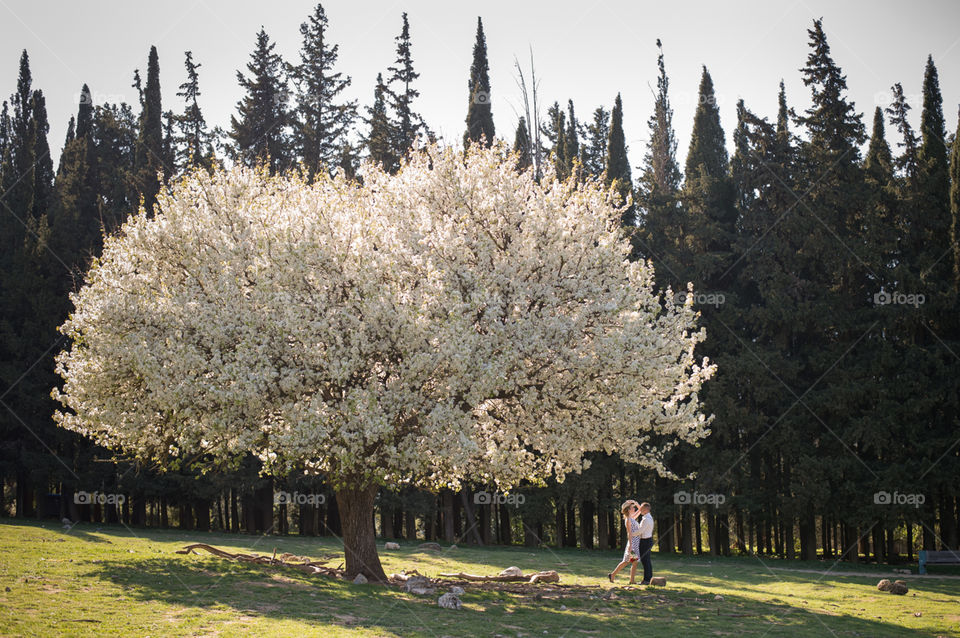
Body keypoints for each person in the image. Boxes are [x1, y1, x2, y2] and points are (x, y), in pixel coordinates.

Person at [608, 500, 642, 584]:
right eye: (632, 507)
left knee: (631, 561)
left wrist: (636, 503)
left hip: (635, 543)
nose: (634, 508)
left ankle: (629, 579)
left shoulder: (631, 518)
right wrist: (630, 545)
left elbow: (641, 510)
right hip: (633, 543)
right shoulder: (628, 520)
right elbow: (629, 533)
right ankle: (615, 576)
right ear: (628, 510)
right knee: (629, 561)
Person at [636, 502, 654, 585]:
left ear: (646, 510)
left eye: (642, 509)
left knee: (645, 560)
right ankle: (649, 578)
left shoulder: (646, 519)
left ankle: (647, 580)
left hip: (645, 541)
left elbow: (640, 531)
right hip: (647, 540)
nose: (640, 510)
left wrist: (631, 533)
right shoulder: (648, 517)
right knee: (646, 560)